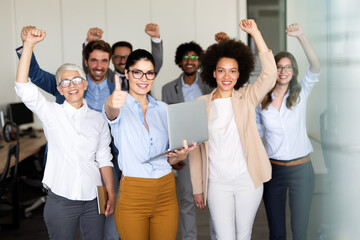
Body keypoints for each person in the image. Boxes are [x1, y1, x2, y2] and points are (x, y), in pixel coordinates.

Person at [15, 28, 115, 240]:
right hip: (61, 199)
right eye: (65, 82)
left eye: (77, 80)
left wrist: (111, 193)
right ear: (59, 89)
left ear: (85, 84)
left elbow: (104, 159)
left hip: (94, 197)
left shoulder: (98, 119)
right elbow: (23, 86)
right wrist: (29, 45)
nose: (72, 86)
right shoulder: (51, 113)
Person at [189, 19, 277, 240]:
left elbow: (270, 74)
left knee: (243, 234)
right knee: (224, 236)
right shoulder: (200, 104)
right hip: (217, 182)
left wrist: (256, 33)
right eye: (221, 71)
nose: (227, 77)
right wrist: (197, 187)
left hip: (247, 179)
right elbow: (196, 152)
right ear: (214, 73)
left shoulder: (247, 97)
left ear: (239, 74)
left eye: (232, 71)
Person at [103, 49, 196, 240]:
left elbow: (169, 159)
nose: (143, 78)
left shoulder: (163, 109)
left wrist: (182, 154)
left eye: (149, 73)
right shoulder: (119, 106)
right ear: (127, 74)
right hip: (133, 193)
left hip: (166, 190)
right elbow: (110, 112)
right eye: (137, 72)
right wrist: (112, 101)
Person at [256, 23, 321, 240]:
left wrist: (301, 36)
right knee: (276, 232)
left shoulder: (300, 94)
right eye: (279, 67)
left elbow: (315, 65)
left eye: (288, 67)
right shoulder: (261, 101)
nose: (283, 71)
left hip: (301, 170)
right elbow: (256, 136)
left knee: (300, 230)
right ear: (274, 70)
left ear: (293, 72)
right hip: (273, 171)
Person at [162, 37, 226, 240]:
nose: (190, 60)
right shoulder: (168, 88)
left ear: (200, 61)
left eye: (194, 57)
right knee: (187, 200)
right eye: (185, 57)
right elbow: (166, 123)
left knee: (214, 199)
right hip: (184, 151)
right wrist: (173, 156)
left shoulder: (210, 85)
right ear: (179, 61)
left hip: (210, 148)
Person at [83, 24, 163, 90]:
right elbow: (90, 67)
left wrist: (155, 38)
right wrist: (90, 42)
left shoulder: (140, 74)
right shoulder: (106, 75)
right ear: (112, 59)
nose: (123, 61)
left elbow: (156, 63)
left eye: (126, 57)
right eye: (118, 57)